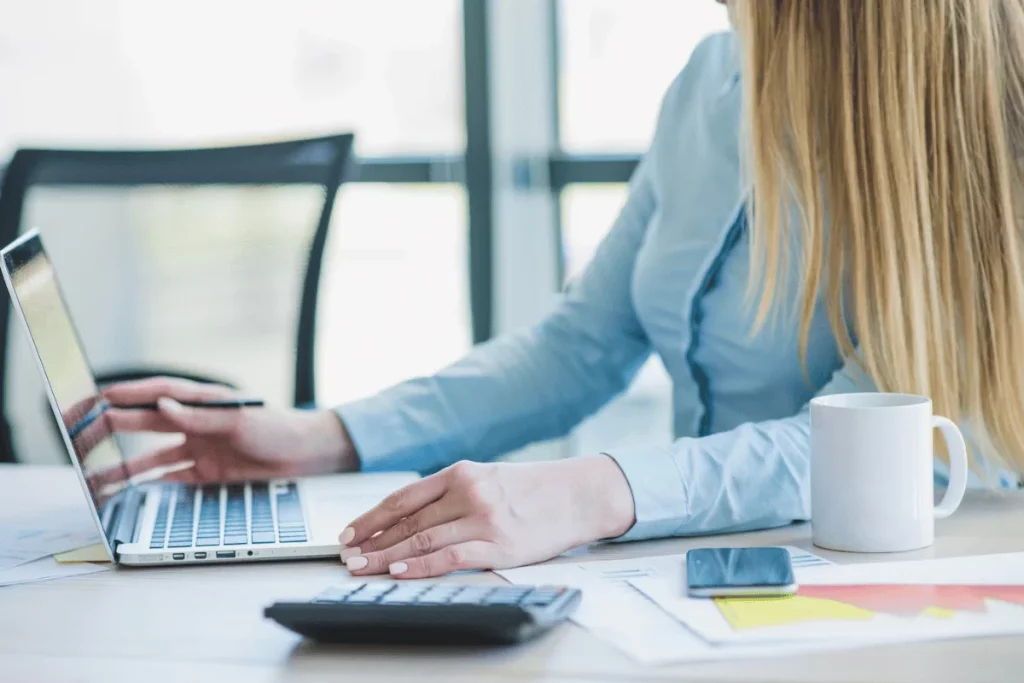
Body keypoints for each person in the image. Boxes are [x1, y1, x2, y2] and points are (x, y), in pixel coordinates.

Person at [105, 0, 1024, 579]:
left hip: (893, 589)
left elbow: (888, 444)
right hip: (689, 582)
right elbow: (584, 342)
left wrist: (589, 494)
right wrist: (325, 437)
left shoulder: (969, 123)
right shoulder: (710, 77)